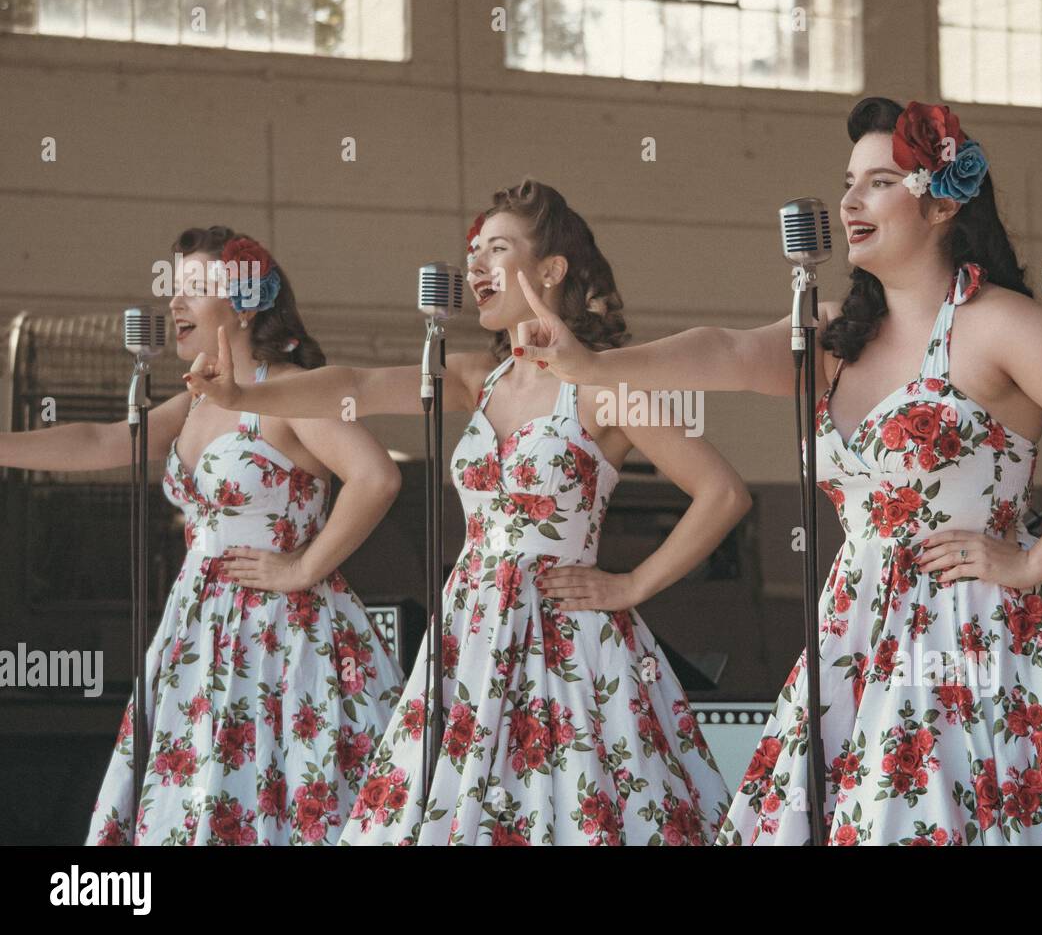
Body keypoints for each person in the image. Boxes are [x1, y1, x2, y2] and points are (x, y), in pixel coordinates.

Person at [511, 99, 1042, 846]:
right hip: (860, 635)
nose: (849, 201)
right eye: (848, 182)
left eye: (879, 182)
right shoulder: (836, 342)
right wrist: (591, 363)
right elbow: (720, 349)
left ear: (942, 201)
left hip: (986, 640)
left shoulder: (997, 324)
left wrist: (1035, 559)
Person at [186, 181, 745, 845]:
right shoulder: (480, 378)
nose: (474, 266)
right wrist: (249, 392)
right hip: (469, 640)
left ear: (550, 270)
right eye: (472, 251)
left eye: (495, 249)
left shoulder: (602, 387)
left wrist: (630, 584)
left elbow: (723, 493)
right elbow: (356, 386)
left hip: (570, 644)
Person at [1, 226, 406, 844]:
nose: (175, 303)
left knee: (286, 800)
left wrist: (301, 568)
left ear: (244, 303)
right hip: (198, 631)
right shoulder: (195, 401)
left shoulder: (289, 391)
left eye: (194, 288)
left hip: (282, 637)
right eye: (175, 288)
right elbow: (106, 440)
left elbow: (376, 477)